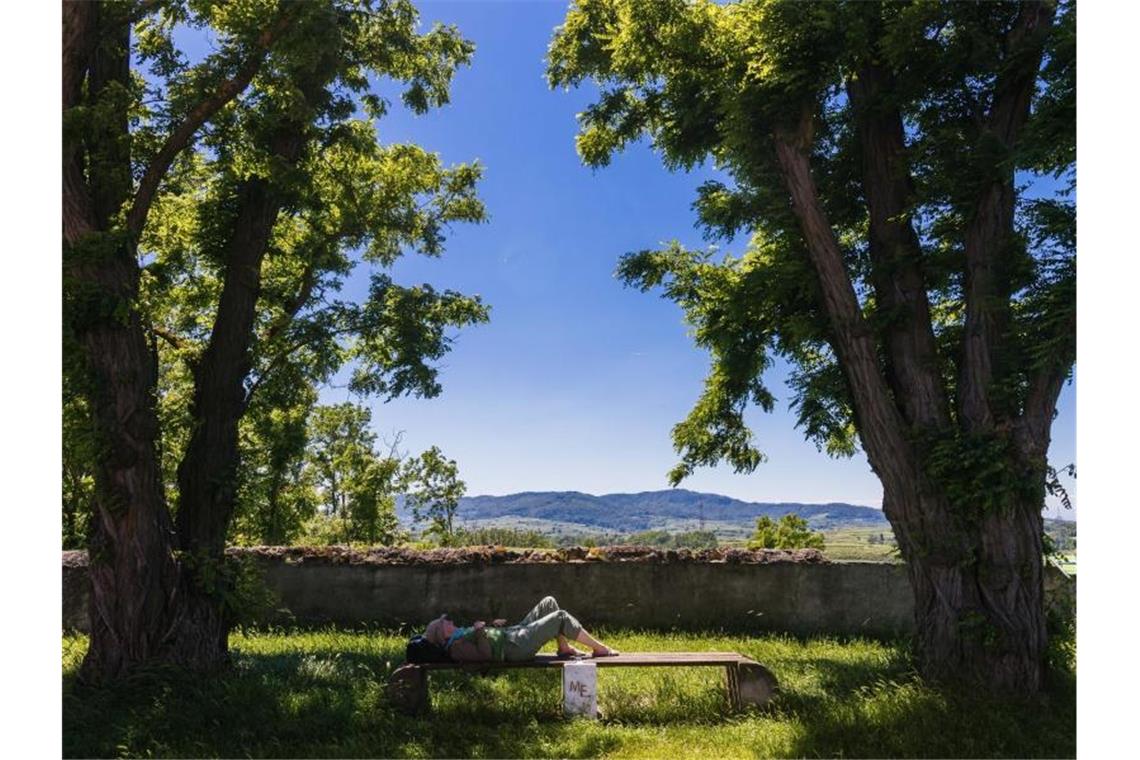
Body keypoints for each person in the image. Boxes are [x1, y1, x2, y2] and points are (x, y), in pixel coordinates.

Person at [423, 596, 620, 663]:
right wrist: (480, 631)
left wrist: (492, 626)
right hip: (515, 647)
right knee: (561, 616)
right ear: (443, 633)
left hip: (512, 635)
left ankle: (564, 648)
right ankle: (600, 648)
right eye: (445, 623)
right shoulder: (456, 647)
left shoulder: (458, 636)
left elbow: (487, 639)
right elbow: (484, 655)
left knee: (548, 603)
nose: (449, 621)